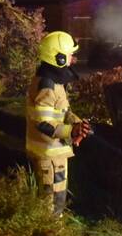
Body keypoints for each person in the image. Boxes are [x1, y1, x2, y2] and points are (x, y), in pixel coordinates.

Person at [26, 31, 91, 217]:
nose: (73, 59)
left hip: (56, 154)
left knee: (58, 197)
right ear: (59, 58)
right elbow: (43, 124)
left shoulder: (55, 82)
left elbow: (62, 113)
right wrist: (71, 131)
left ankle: (56, 230)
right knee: (48, 200)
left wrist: (78, 124)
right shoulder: (46, 86)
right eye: (70, 55)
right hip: (47, 154)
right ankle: (47, 234)